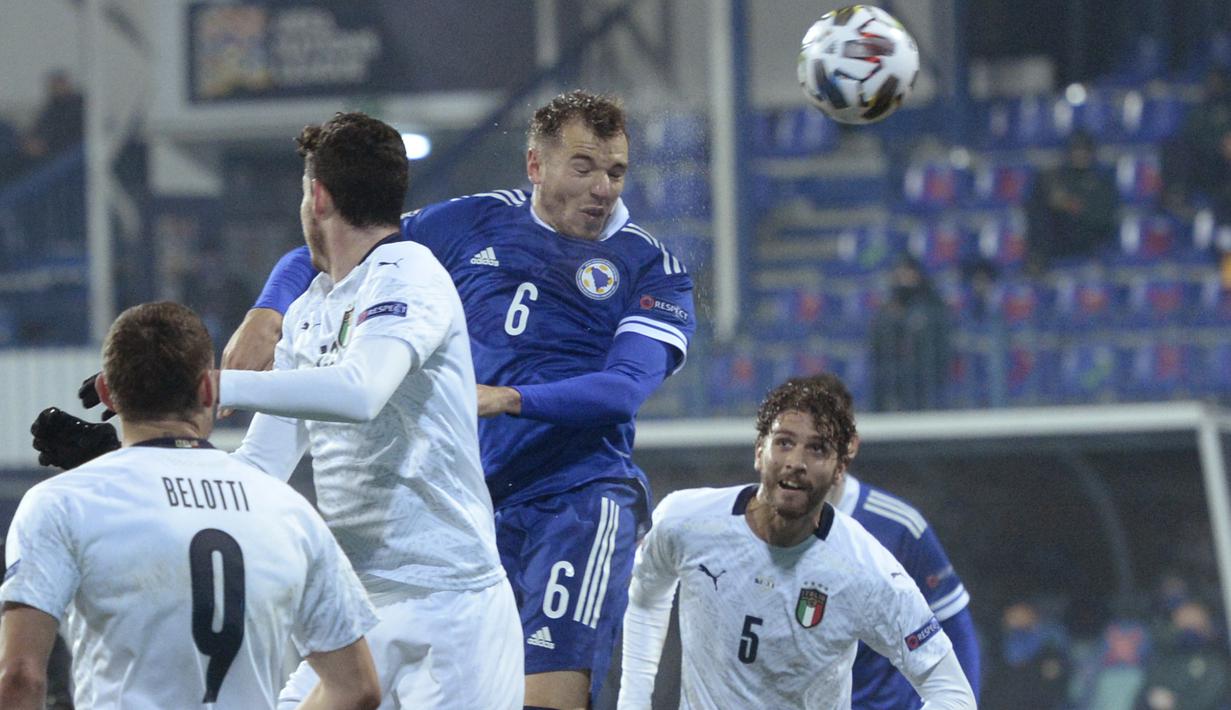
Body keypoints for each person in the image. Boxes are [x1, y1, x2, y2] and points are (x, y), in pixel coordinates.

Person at [223, 90, 696, 709]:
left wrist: (504, 398)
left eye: (615, 171)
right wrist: (270, 306)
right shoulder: (471, 222)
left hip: (576, 498)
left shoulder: (650, 266)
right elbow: (347, 241)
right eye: (583, 167)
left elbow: (624, 389)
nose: (602, 187)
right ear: (536, 166)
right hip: (464, 509)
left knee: (544, 700)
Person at [216, 112, 524, 709]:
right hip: (354, 607)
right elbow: (259, 466)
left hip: (452, 606)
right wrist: (144, 461)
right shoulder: (309, 309)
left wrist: (215, 387)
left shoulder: (410, 274)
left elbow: (361, 392)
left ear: (318, 196)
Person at [1, 301, 381, 710]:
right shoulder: (290, 512)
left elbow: (20, 676)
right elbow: (357, 687)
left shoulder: (61, 504)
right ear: (210, 387)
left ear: (108, 391)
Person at [617, 375, 976, 709]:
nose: (796, 462)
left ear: (839, 469)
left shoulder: (868, 570)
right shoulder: (685, 519)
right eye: (784, 442)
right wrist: (632, 702)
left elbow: (952, 692)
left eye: (817, 449)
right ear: (760, 451)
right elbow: (646, 597)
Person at [815, 372, 982, 708]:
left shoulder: (898, 527)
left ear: (849, 446)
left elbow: (953, 627)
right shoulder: (764, 528)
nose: (807, 457)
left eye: (821, 444)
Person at [1024, 130, 1119, 272]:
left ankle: (1039, 258)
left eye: (1084, 150)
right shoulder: (1057, 177)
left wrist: (1070, 205)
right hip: (1056, 237)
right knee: (1040, 207)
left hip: (1087, 238)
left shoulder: (1101, 182)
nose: (1080, 155)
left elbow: (1105, 219)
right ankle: (1036, 259)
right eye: (1076, 150)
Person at [869, 254, 951, 411]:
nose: (903, 278)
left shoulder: (930, 300)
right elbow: (879, 336)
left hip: (925, 366)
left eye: (907, 272)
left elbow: (937, 333)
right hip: (895, 365)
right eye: (900, 273)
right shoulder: (891, 303)